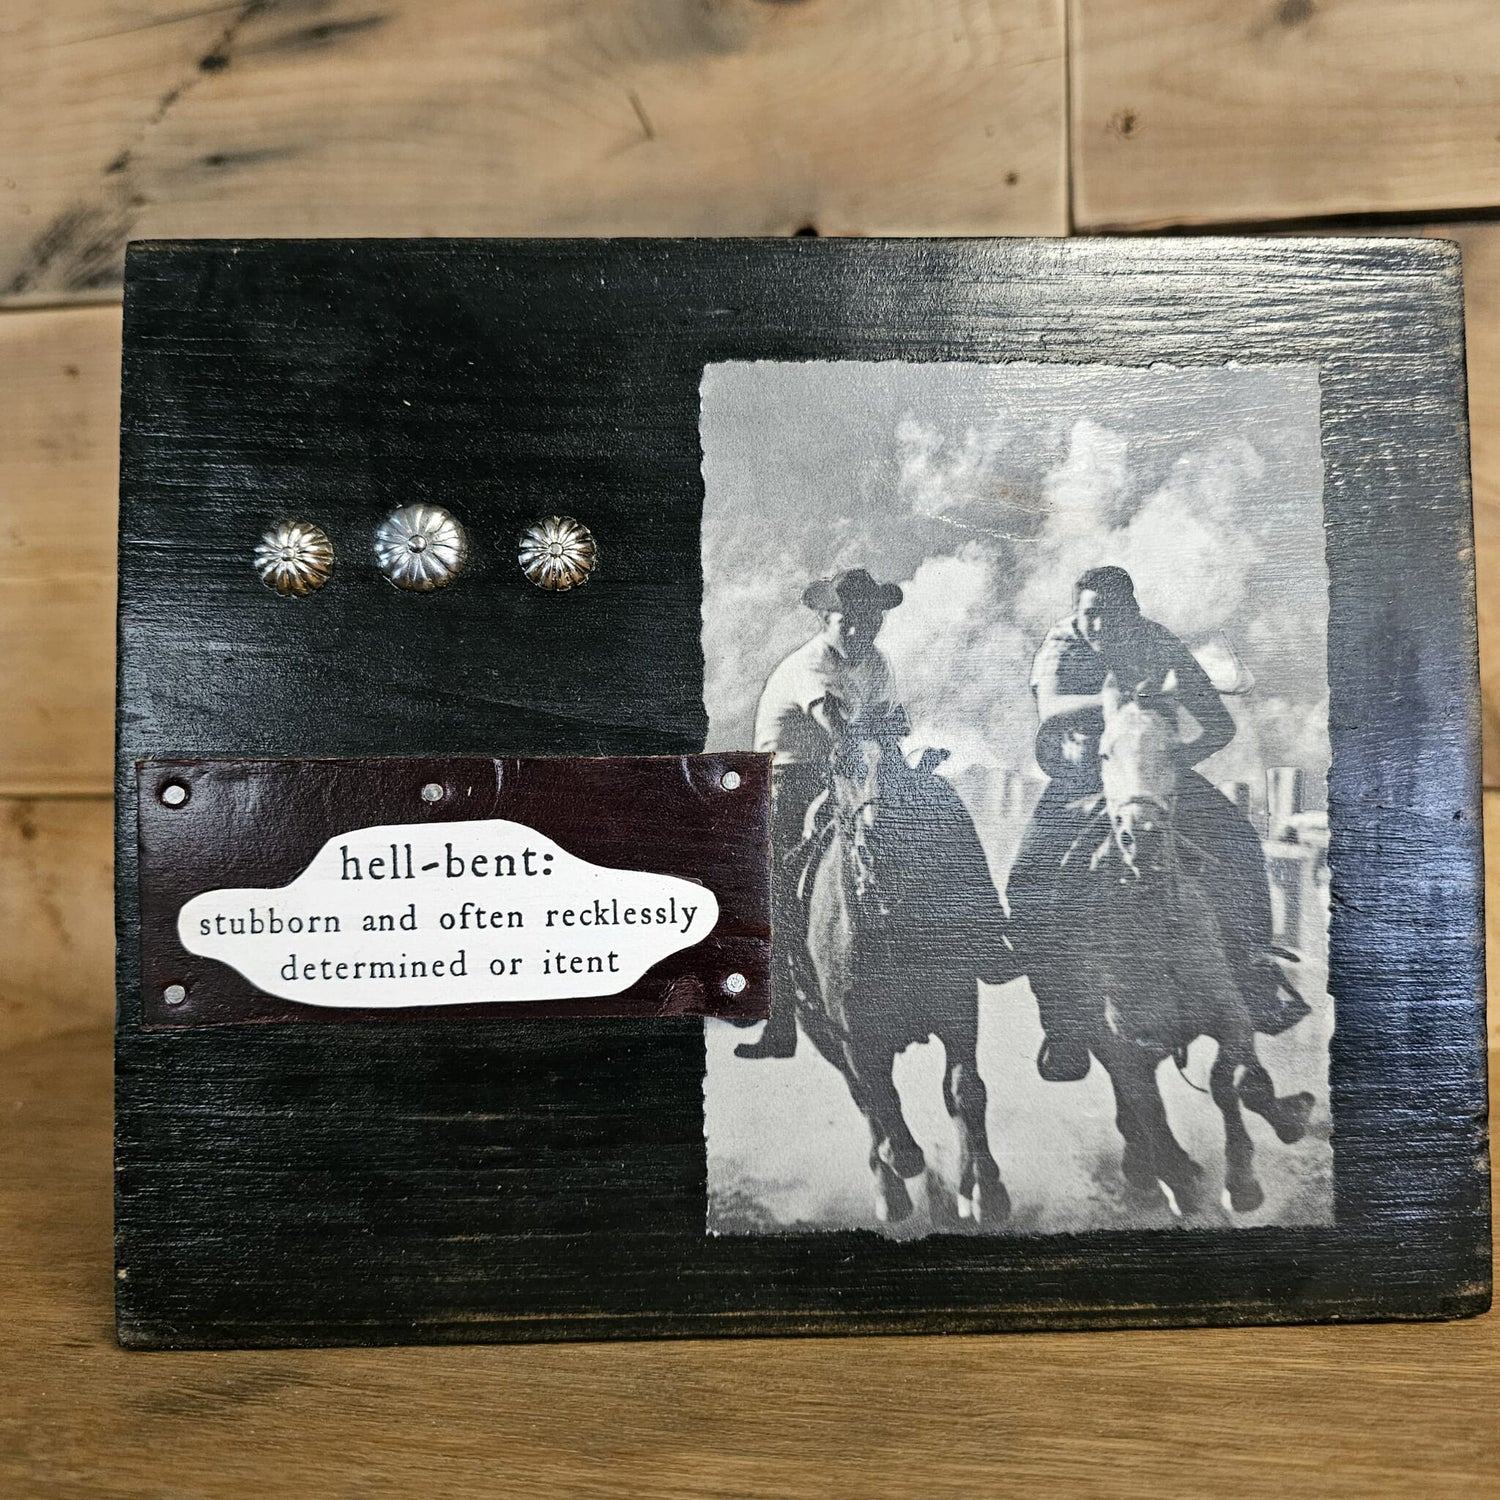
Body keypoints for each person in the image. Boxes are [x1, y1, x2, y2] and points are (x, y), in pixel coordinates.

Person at [1007, 565, 1298, 1083]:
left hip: (1151, 777)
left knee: (1238, 841)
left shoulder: (1159, 642)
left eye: (1110, 615)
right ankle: (1062, 1021)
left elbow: (1219, 725)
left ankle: (1256, 971)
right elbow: (1050, 708)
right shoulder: (1061, 644)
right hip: (1083, 776)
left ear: (1132, 614)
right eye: (1089, 614)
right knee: (1028, 876)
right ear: (1076, 614)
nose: (1098, 625)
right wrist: (1117, 700)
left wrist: (1170, 760)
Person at [736, 567, 907, 1060]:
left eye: (867, 618)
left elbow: (887, 726)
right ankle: (780, 1021)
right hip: (790, 779)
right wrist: (882, 734)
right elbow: (839, 728)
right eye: (845, 619)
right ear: (825, 619)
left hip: (848, 770)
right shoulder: (811, 663)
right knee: (770, 888)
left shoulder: (878, 661)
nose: (857, 628)